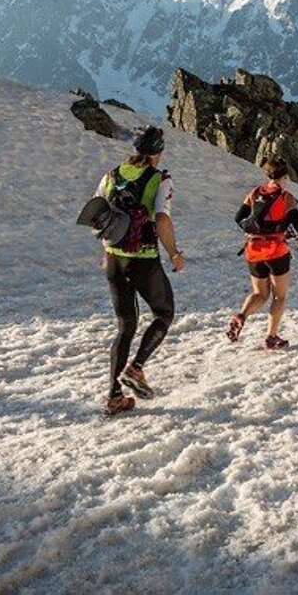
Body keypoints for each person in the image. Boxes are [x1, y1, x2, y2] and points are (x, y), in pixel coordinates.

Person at [95, 125, 186, 416]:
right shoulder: (160, 180)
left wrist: (107, 250)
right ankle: (136, 368)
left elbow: (97, 214)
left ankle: (114, 396)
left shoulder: (112, 175)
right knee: (164, 312)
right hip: (143, 259)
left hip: (113, 259)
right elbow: (161, 219)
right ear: (158, 153)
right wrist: (174, 253)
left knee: (126, 325)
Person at [227, 156, 298, 349]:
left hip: (254, 250)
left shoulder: (255, 192)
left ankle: (240, 316)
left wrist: (257, 232)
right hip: (276, 251)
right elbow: (297, 224)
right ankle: (271, 337)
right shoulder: (286, 197)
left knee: (259, 293)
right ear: (285, 176)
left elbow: (238, 217)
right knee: (279, 297)